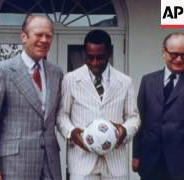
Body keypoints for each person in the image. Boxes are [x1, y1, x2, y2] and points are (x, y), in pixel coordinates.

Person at [0, 15, 63, 180]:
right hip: (14, 164)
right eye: (38, 34)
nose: (44, 40)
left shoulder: (56, 73)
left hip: (50, 164)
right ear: (24, 36)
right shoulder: (2, 71)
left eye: (48, 35)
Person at [57, 29, 140, 180]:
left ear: (109, 53)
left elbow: (134, 117)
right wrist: (72, 133)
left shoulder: (125, 82)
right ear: (84, 54)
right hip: (82, 162)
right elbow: (62, 115)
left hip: (115, 162)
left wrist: (124, 131)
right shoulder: (70, 79)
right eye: (90, 57)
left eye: (100, 58)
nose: (94, 62)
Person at [132, 32, 184, 180]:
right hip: (150, 161)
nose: (179, 59)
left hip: (183, 163)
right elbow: (140, 121)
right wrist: (136, 154)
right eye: (174, 54)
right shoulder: (148, 81)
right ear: (164, 52)